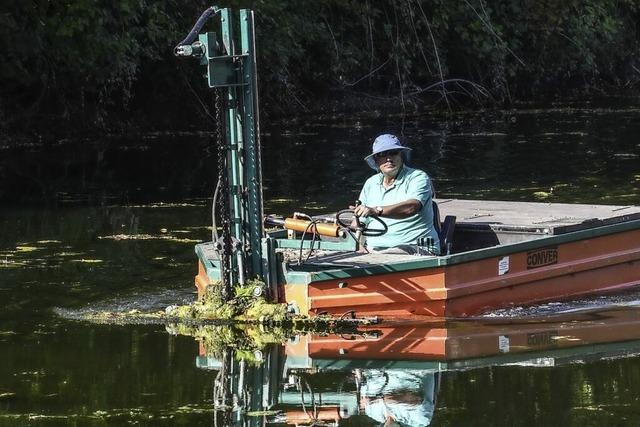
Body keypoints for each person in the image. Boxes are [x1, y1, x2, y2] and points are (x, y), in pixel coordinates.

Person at [353, 134, 440, 254]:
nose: (389, 158)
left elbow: (412, 207)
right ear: (376, 160)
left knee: (381, 257)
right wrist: (354, 241)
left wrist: (376, 210)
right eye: (382, 154)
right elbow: (358, 223)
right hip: (373, 250)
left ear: (401, 156)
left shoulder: (418, 177)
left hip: (416, 248)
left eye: (393, 152)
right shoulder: (370, 183)